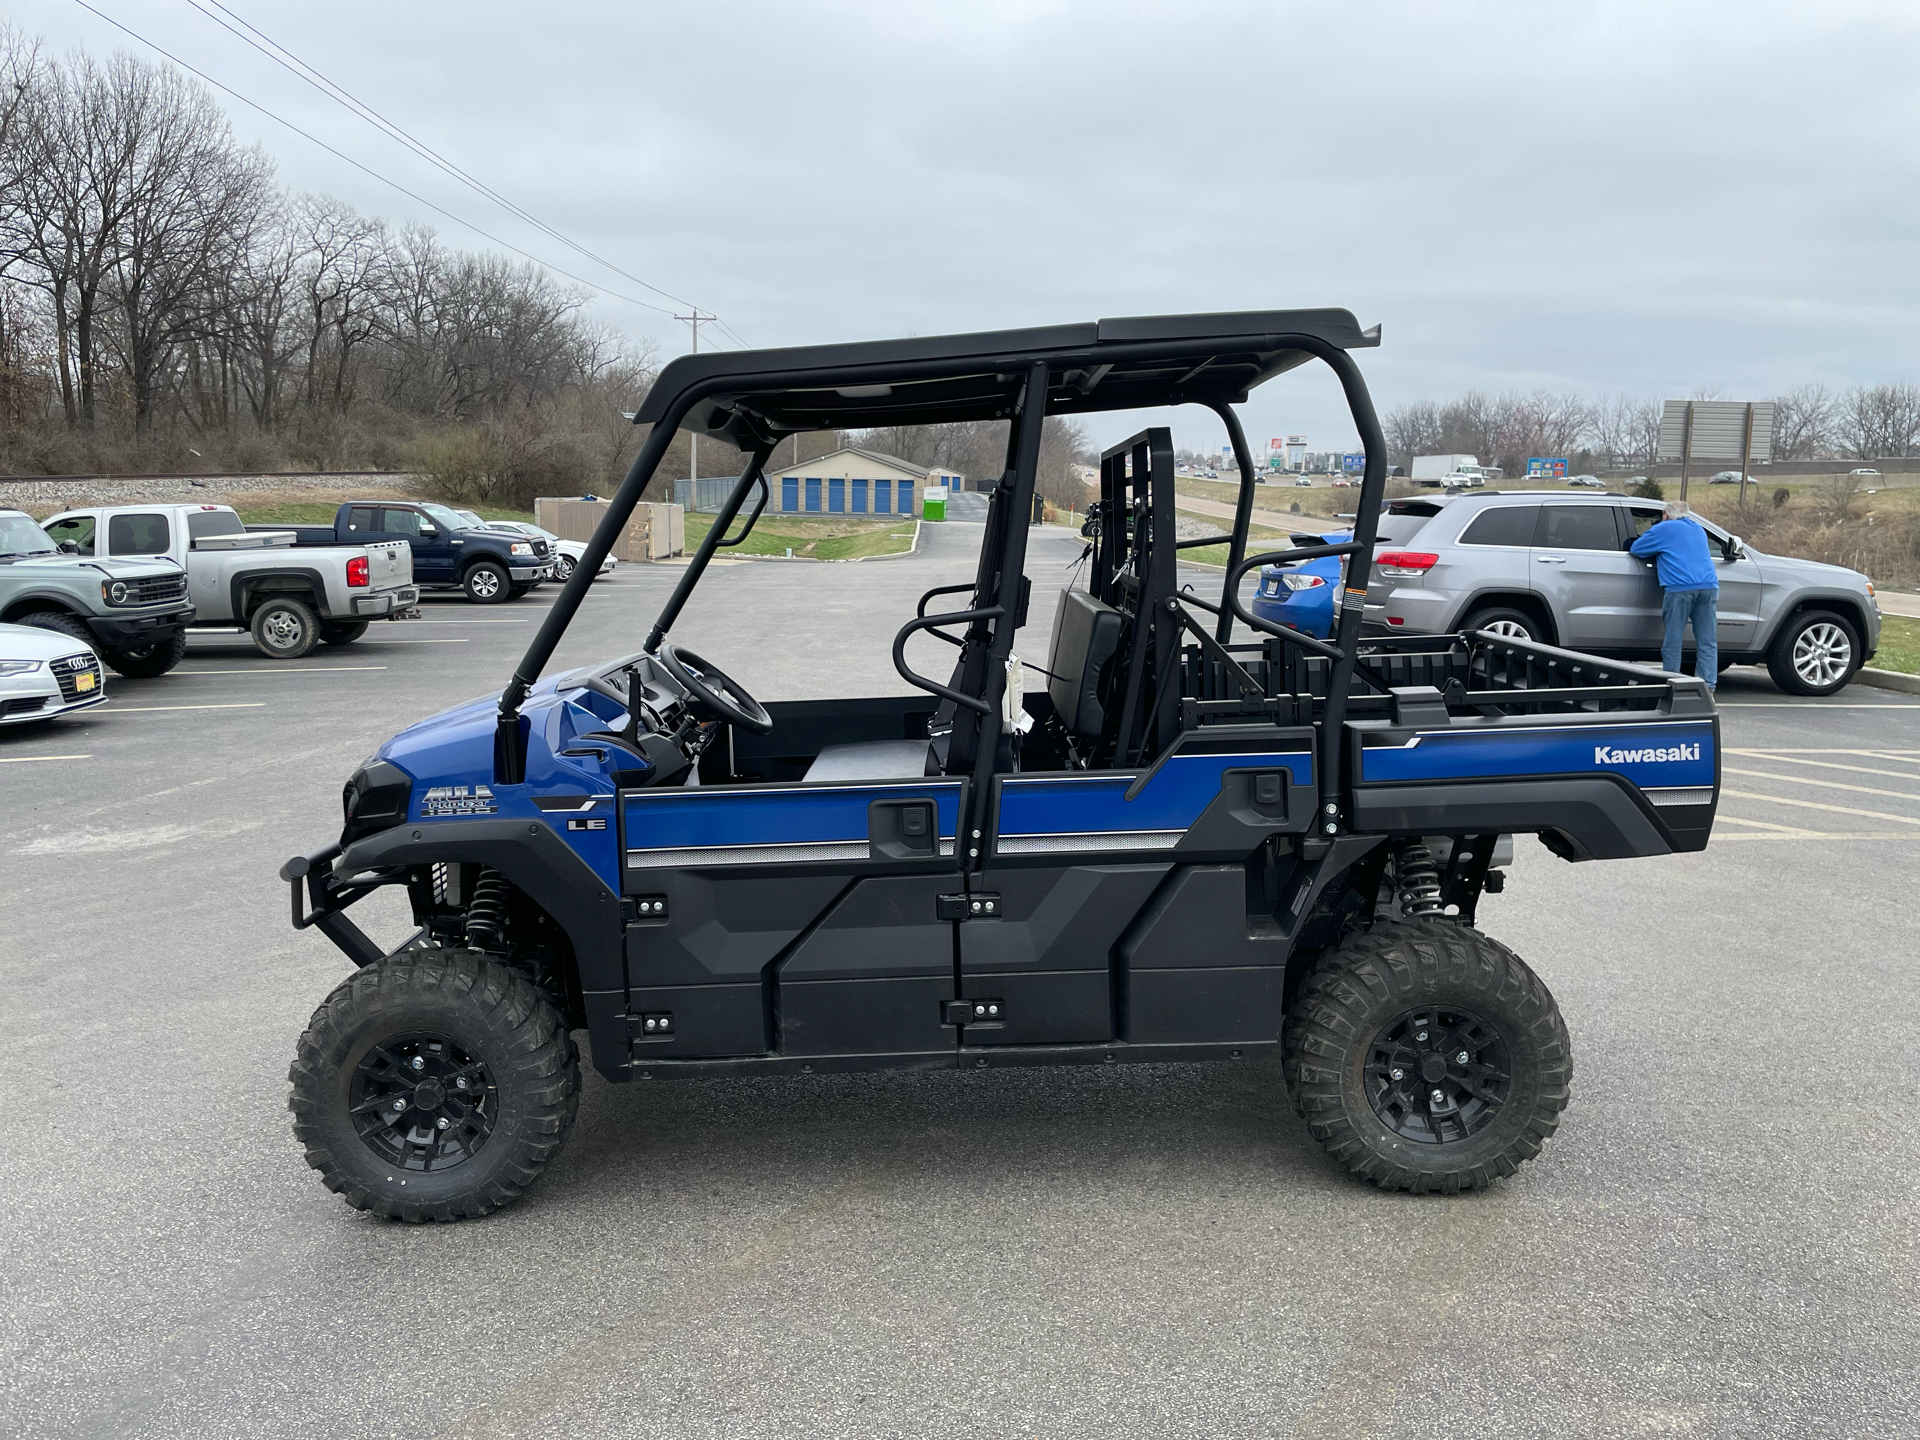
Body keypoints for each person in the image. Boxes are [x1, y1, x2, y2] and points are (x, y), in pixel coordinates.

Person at [1629, 498, 1720, 687]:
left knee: (1673, 640)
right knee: (1707, 641)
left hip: (1680, 589)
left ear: (1666, 515)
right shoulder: (1698, 529)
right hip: (1708, 586)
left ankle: (1672, 682)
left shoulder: (1664, 528)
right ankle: (1708, 686)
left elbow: (1636, 549)